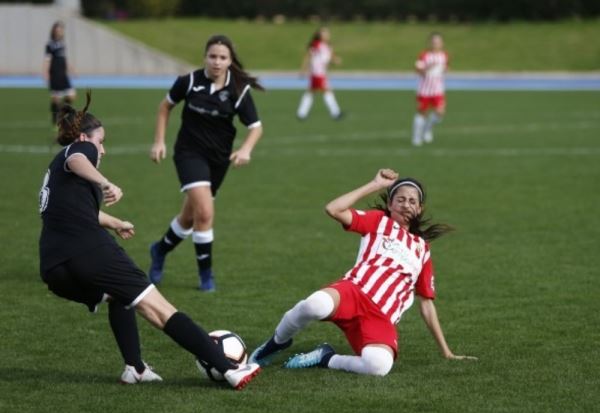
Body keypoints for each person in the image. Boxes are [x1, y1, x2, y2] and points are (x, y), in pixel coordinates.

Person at [38, 92, 261, 390]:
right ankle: (230, 368)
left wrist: (115, 222)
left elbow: (71, 213)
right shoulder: (80, 150)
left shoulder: (55, 169)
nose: (102, 150)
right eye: (100, 141)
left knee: (121, 297)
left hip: (54, 267)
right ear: (82, 136)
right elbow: (81, 158)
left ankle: (136, 369)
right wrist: (104, 181)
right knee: (158, 308)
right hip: (89, 250)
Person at [249, 169, 477, 376]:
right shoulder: (378, 222)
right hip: (355, 292)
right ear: (390, 204)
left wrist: (447, 352)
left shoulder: (422, 250)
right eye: (400, 199)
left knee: (379, 366)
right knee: (314, 305)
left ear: (419, 208)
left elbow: (427, 304)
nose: (406, 204)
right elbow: (333, 209)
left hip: (381, 316)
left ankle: (326, 358)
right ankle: (277, 342)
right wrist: (374, 184)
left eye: (412, 201)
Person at [148, 34, 264, 291]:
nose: (217, 62)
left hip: (219, 160)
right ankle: (206, 276)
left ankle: (159, 250)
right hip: (189, 153)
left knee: (189, 217)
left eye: (222, 57)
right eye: (212, 56)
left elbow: (256, 127)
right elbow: (165, 107)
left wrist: (245, 149)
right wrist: (159, 141)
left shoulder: (238, 89)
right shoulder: (189, 81)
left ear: (230, 60)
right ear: (205, 57)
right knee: (205, 212)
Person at [296, 27, 344, 120]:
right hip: (317, 73)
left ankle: (301, 113)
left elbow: (328, 58)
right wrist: (303, 69)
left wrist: (334, 61)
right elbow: (309, 57)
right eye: (325, 33)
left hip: (321, 73)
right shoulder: (316, 45)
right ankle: (335, 113)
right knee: (326, 91)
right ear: (320, 35)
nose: (327, 35)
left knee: (311, 92)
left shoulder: (327, 46)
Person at [411, 32, 448, 146]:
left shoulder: (444, 55)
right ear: (430, 43)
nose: (436, 44)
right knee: (422, 113)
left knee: (440, 112)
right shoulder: (424, 55)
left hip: (438, 90)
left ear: (442, 43)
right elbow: (418, 70)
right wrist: (429, 68)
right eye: (433, 42)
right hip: (424, 90)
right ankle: (416, 137)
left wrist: (444, 70)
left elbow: (445, 68)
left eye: (438, 42)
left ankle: (427, 129)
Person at [43, 21, 76, 125]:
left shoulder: (62, 44)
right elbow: (47, 60)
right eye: (57, 30)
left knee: (71, 95)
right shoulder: (50, 45)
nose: (59, 32)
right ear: (53, 31)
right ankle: (54, 118)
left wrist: (70, 68)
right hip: (55, 73)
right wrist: (46, 72)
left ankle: (62, 112)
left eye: (61, 30)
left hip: (63, 74)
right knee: (56, 99)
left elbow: (64, 58)